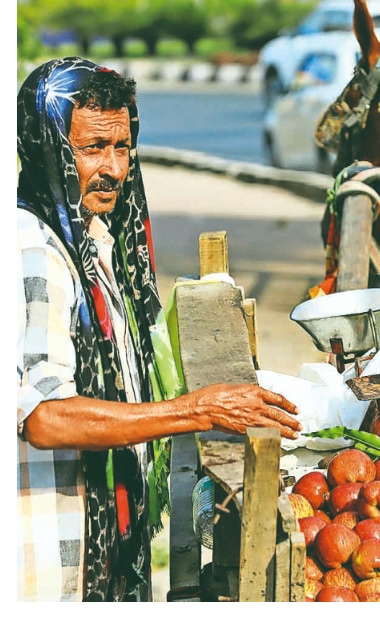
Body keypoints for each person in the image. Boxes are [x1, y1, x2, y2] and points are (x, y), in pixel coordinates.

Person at [16, 58, 303, 601]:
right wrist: (198, 410)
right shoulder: (34, 251)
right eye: (92, 147)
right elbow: (45, 416)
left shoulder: (90, 241)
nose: (115, 169)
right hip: (52, 572)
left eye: (122, 147)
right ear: (48, 149)